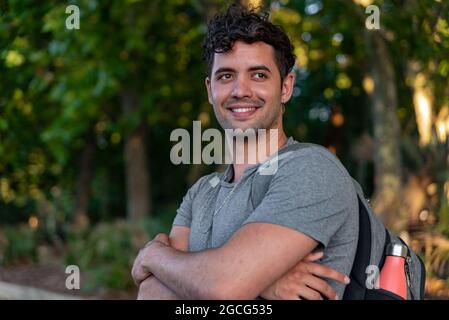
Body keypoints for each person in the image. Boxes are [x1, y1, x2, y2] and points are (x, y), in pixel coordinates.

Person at [132, 4, 359, 300]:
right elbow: (152, 290)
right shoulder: (201, 194)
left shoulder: (311, 168)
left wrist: (151, 256)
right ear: (210, 90)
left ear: (286, 87)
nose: (241, 90)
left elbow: (221, 288)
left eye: (259, 75)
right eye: (226, 76)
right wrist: (261, 282)